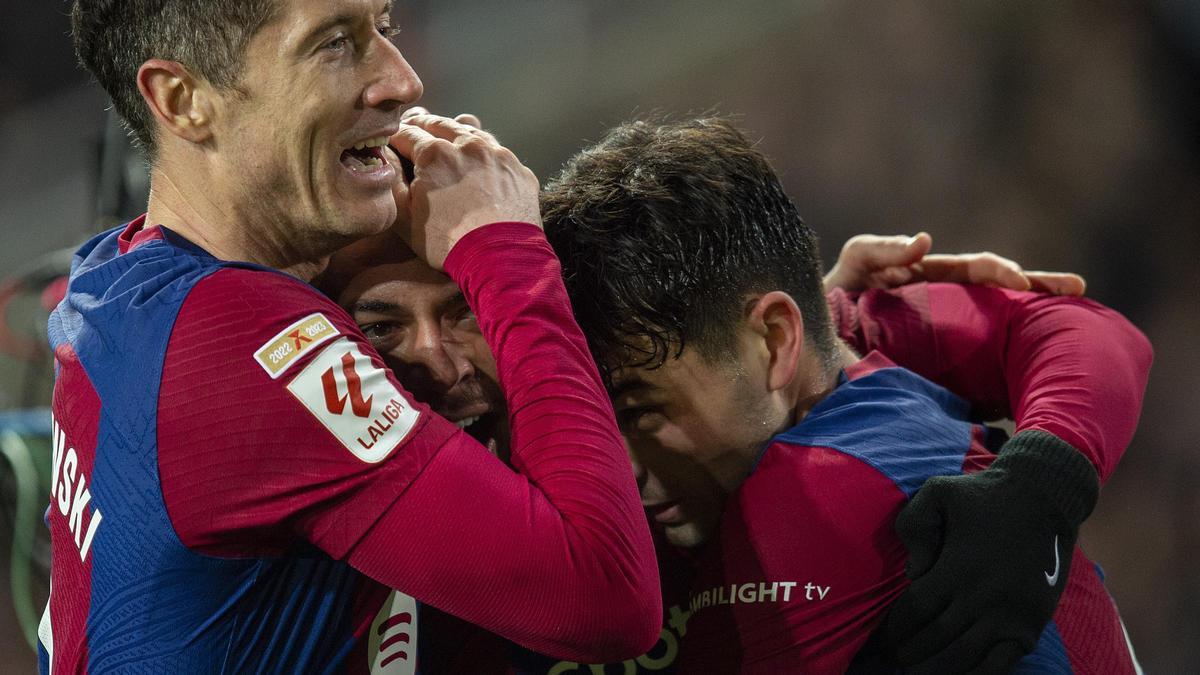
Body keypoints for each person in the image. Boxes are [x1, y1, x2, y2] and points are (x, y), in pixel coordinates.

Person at [323, 123, 1148, 673]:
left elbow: (1068, 327)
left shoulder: (803, 483)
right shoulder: (726, 373)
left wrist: (1043, 481)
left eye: (465, 308)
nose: (432, 358)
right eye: (383, 326)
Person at [44, 1, 662, 672]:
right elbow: (605, 598)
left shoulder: (114, 280)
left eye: (384, 29)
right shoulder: (243, 344)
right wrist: (504, 245)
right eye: (335, 44)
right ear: (184, 98)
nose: (402, 80)